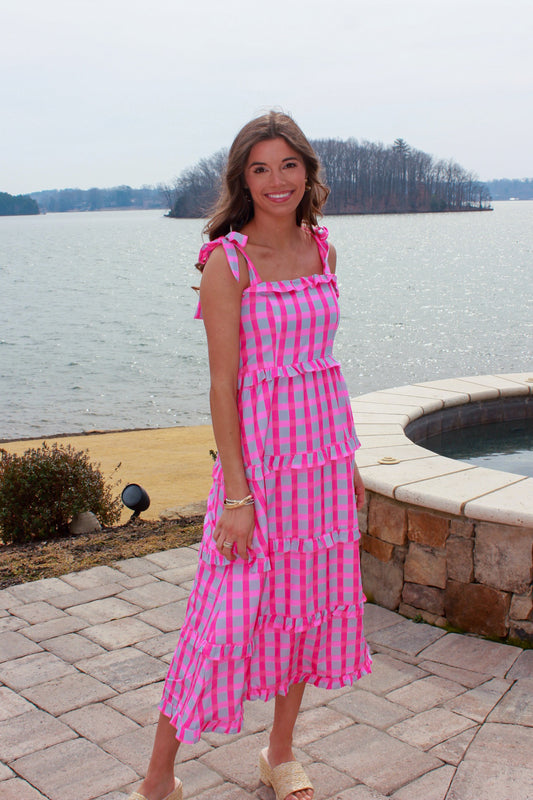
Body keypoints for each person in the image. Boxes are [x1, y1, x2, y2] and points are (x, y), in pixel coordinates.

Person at [128, 111, 371, 800]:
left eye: (287, 165)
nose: (276, 180)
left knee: (306, 611)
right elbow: (222, 386)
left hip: (320, 465)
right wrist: (236, 498)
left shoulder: (323, 249)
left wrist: (344, 464)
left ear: (307, 171)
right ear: (241, 179)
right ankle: (158, 778)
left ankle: (279, 752)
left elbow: (321, 366)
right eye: (259, 168)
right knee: (219, 621)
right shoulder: (225, 262)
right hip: (258, 472)